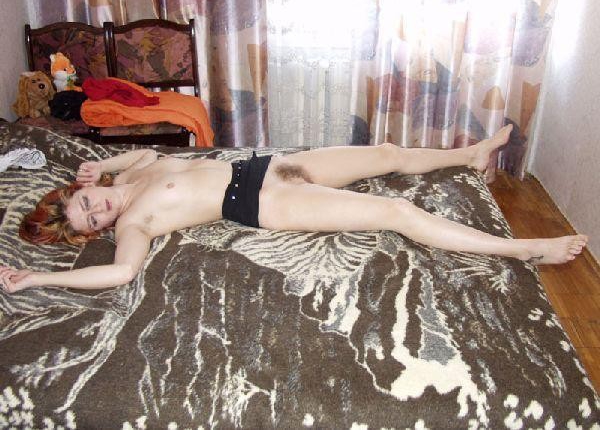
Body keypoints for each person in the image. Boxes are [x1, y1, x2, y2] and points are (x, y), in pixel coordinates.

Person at [0, 125, 588, 293]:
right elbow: (122, 272)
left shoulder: (132, 173)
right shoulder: (134, 223)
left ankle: (469, 155)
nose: (99, 209)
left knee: (387, 153)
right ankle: (523, 248)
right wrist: (40, 280)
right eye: (93, 220)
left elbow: (147, 152)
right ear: (102, 229)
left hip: (268, 164)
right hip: (265, 201)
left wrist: (104, 164)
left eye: (86, 202)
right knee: (394, 213)